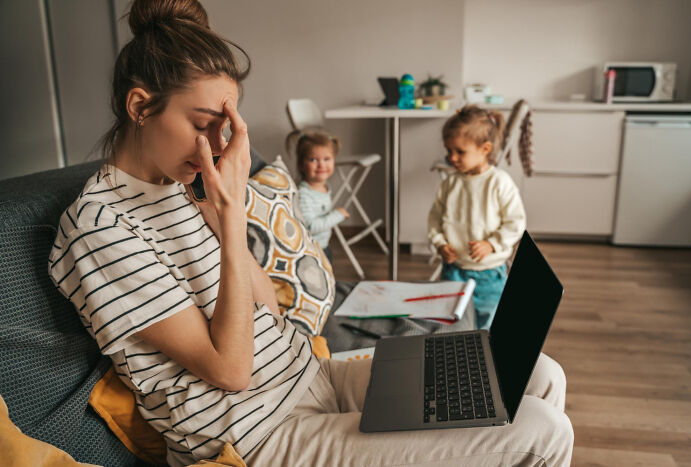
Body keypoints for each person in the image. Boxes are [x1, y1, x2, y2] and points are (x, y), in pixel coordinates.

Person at [48, 1, 572, 465]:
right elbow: (231, 369)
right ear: (140, 107)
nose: (214, 144)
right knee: (541, 432)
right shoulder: (98, 229)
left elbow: (268, 314)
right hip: (257, 433)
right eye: (203, 122)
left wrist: (214, 215)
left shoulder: (180, 190)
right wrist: (231, 223)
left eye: (224, 127)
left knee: (539, 373)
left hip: (308, 376)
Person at [428, 105, 526, 330]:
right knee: (451, 323)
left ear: (485, 149)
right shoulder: (450, 183)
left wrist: (492, 244)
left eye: (460, 152)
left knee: (487, 327)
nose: (452, 158)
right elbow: (434, 219)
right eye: (448, 150)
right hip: (453, 269)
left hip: (489, 275)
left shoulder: (499, 183)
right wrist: (440, 244)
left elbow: (516, 221)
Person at [289, 129, 349, 262]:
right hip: (310, 250)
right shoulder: (304, 194)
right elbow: (311, 227)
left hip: (323, 246)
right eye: (313, 159)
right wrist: (337, 215)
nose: (321, 164)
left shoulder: (323, 186)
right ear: (301, 165)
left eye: (327, 159)